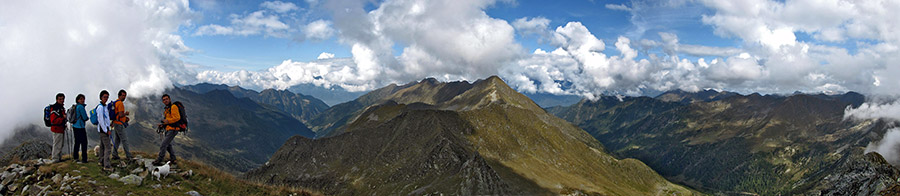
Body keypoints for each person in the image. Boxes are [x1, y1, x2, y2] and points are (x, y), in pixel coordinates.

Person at [154, 94, 180, 166]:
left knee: (164, 144)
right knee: (168, 145)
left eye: (166, 99)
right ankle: (173, 158)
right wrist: (162, 125)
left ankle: (159, 159)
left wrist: (167, 121)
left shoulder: (173, 107)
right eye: (164, 100)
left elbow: (177, 118)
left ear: (169, 99)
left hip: (173, 129)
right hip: (168, 129)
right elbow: (168, 120)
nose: (165, 101)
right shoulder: (167, 109)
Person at [111, 89, 133, 161]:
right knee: (124, 140)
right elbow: (120, 115)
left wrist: (125, 118)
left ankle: (114, 154)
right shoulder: (120, 103)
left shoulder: (115, 102)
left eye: (125, 96)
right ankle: (128, 155)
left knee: (117, 140)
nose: (124, 97)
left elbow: (117, 115)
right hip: (119, 124)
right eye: (123, 95)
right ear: (119, 95)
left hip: (116, 123)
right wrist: (125, 114)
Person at [96, 90, 114, 171]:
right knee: (108, 147)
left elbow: (105, 119)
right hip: (104, 130)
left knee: (102, 146)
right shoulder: (100, 107)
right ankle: (107, 166)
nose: (106, 99)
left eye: (107, 97)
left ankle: (101, 161)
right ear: (101, 97)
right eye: (104, 97)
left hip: (105, 129)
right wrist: (106, 130)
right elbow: (100, 120)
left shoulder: (104, 106)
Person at [71, 94, 90, 163]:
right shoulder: (81, 107)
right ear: (78, 100)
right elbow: (85, 117)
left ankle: (75, 157)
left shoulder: (76, 107)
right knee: (84, 143)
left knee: (77, 142)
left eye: (83, 99)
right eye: (81, 99)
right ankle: (84, 159)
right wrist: (88, 118)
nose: (82, 100)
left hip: (75, 126)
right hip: (80, 127)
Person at [49, 93, 67, 163]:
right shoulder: (55, 108)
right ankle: (55, 158)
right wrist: (63, 118)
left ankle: (58, 158)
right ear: (57, 99)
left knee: (60, 144)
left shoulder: (61, 108)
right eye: (60, 99)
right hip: (57, 128)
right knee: (57, 144)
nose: (62, 100)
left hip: (61, 128)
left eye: (63, 99)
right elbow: (53, 120)